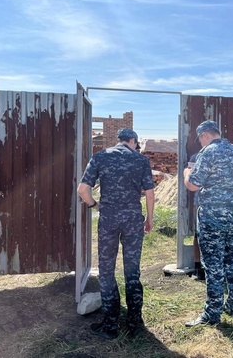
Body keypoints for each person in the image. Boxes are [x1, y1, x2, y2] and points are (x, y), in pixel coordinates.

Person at [77, 128, 154, 339]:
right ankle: (134, 324)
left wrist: (95, 205)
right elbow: (149, 193)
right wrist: (149, 218)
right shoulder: (141, 160)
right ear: (133, 141)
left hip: (109, 220)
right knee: (132, 271)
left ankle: (110, 325)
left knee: (107, 271)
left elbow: (83, 190)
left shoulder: (100, 157)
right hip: (132, 220)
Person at [183, 120, 233, 326]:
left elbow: (193, 185)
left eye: (200, 139)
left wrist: (186, 173)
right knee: (232, 258)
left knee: (213, 264)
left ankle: (212, 313)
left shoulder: (208, 153)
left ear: (204, 136)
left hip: (213, 216)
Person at [188, 153, 205, 281]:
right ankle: (198, 267)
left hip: (217, 204)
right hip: (199, 202)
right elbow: (191, 177)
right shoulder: (196, 157)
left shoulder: (221, 156)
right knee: (197, 235)